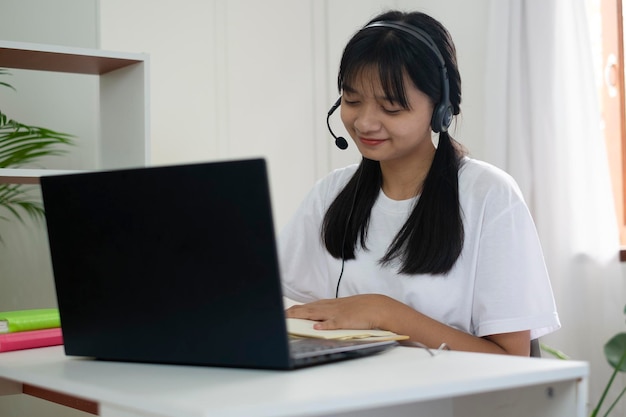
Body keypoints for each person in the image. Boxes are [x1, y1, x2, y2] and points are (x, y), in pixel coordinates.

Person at [279, 10, 560, 356]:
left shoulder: (489, 196)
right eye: (352, 101)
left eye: (391, 108)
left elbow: (512, 360)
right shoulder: (331, 194)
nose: (365, 122)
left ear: (440, 108)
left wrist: (386, 313)